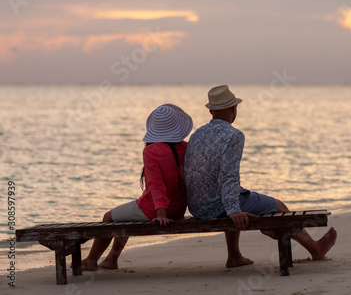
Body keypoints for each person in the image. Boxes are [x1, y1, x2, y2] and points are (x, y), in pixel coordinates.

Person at [184, 85, 337, 268]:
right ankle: (315, 249)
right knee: (278, 205)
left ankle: (234, 256)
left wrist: (231, 204)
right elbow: (228, 175)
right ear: (234, 109)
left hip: (197, 207)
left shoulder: (196, 135)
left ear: (210, 111)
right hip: (218, 206)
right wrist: (233, 210)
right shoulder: (234, 135)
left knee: (235, 194)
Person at [80, 103, 193, 271]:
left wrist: (161, 213)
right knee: (124, 218)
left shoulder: (152, 150)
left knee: (108, 217)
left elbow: (156, 184)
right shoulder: (186, 147)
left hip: (156, 210)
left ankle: (91, 260)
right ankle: (111, 259)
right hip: (177, 210)